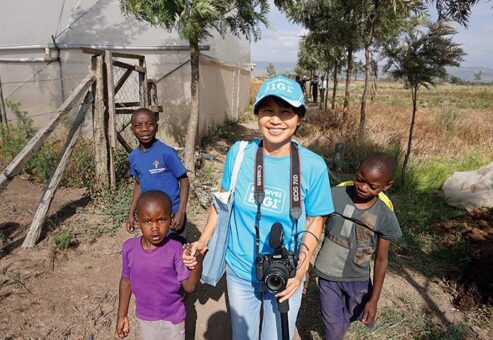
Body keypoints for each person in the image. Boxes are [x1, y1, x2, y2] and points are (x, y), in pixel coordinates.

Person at [184, 75, 335, 340]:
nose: (275, 120)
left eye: (285, 112)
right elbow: (222, 202)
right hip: (241, 270)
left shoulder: (312, 166)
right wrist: (203, 240)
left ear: (299, 118)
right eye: (268, 111)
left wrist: (299, 271)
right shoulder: (240, 154)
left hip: (285, 274)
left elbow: (315, 221)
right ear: (257, 114)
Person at [314, 153, 402, 340]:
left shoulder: (385, 215)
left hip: (358, 279)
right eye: (360, 180)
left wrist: (374, 299)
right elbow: (315, 228)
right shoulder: (335, 195)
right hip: (327, 274)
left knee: (352, 315)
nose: (362, 187)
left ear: (387, 186)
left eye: (372, 186)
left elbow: (381, 259)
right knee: (334, 328)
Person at [115, 191, 202, 339]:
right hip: (145, 318)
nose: (155, 227)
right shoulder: (129, 248)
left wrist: (197, 263)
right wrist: (122, 315)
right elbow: (126, 281)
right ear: (138, 221)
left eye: (161, 220)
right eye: (147, 221)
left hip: (174, 319)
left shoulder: (175, 249)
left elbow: (189, 287)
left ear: (171, 219)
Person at [126, 108, 190, 243]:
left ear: (156, 127)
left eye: (149, 124)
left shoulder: (167, 153)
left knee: (178, 253)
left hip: (172, 215)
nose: (144, 129)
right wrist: (131, 213)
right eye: (138, 126)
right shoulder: (133, 157)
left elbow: (184, 181)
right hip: (150, 217)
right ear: (132, 130)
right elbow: (138, 184)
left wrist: (181, 212)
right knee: (157, 254)